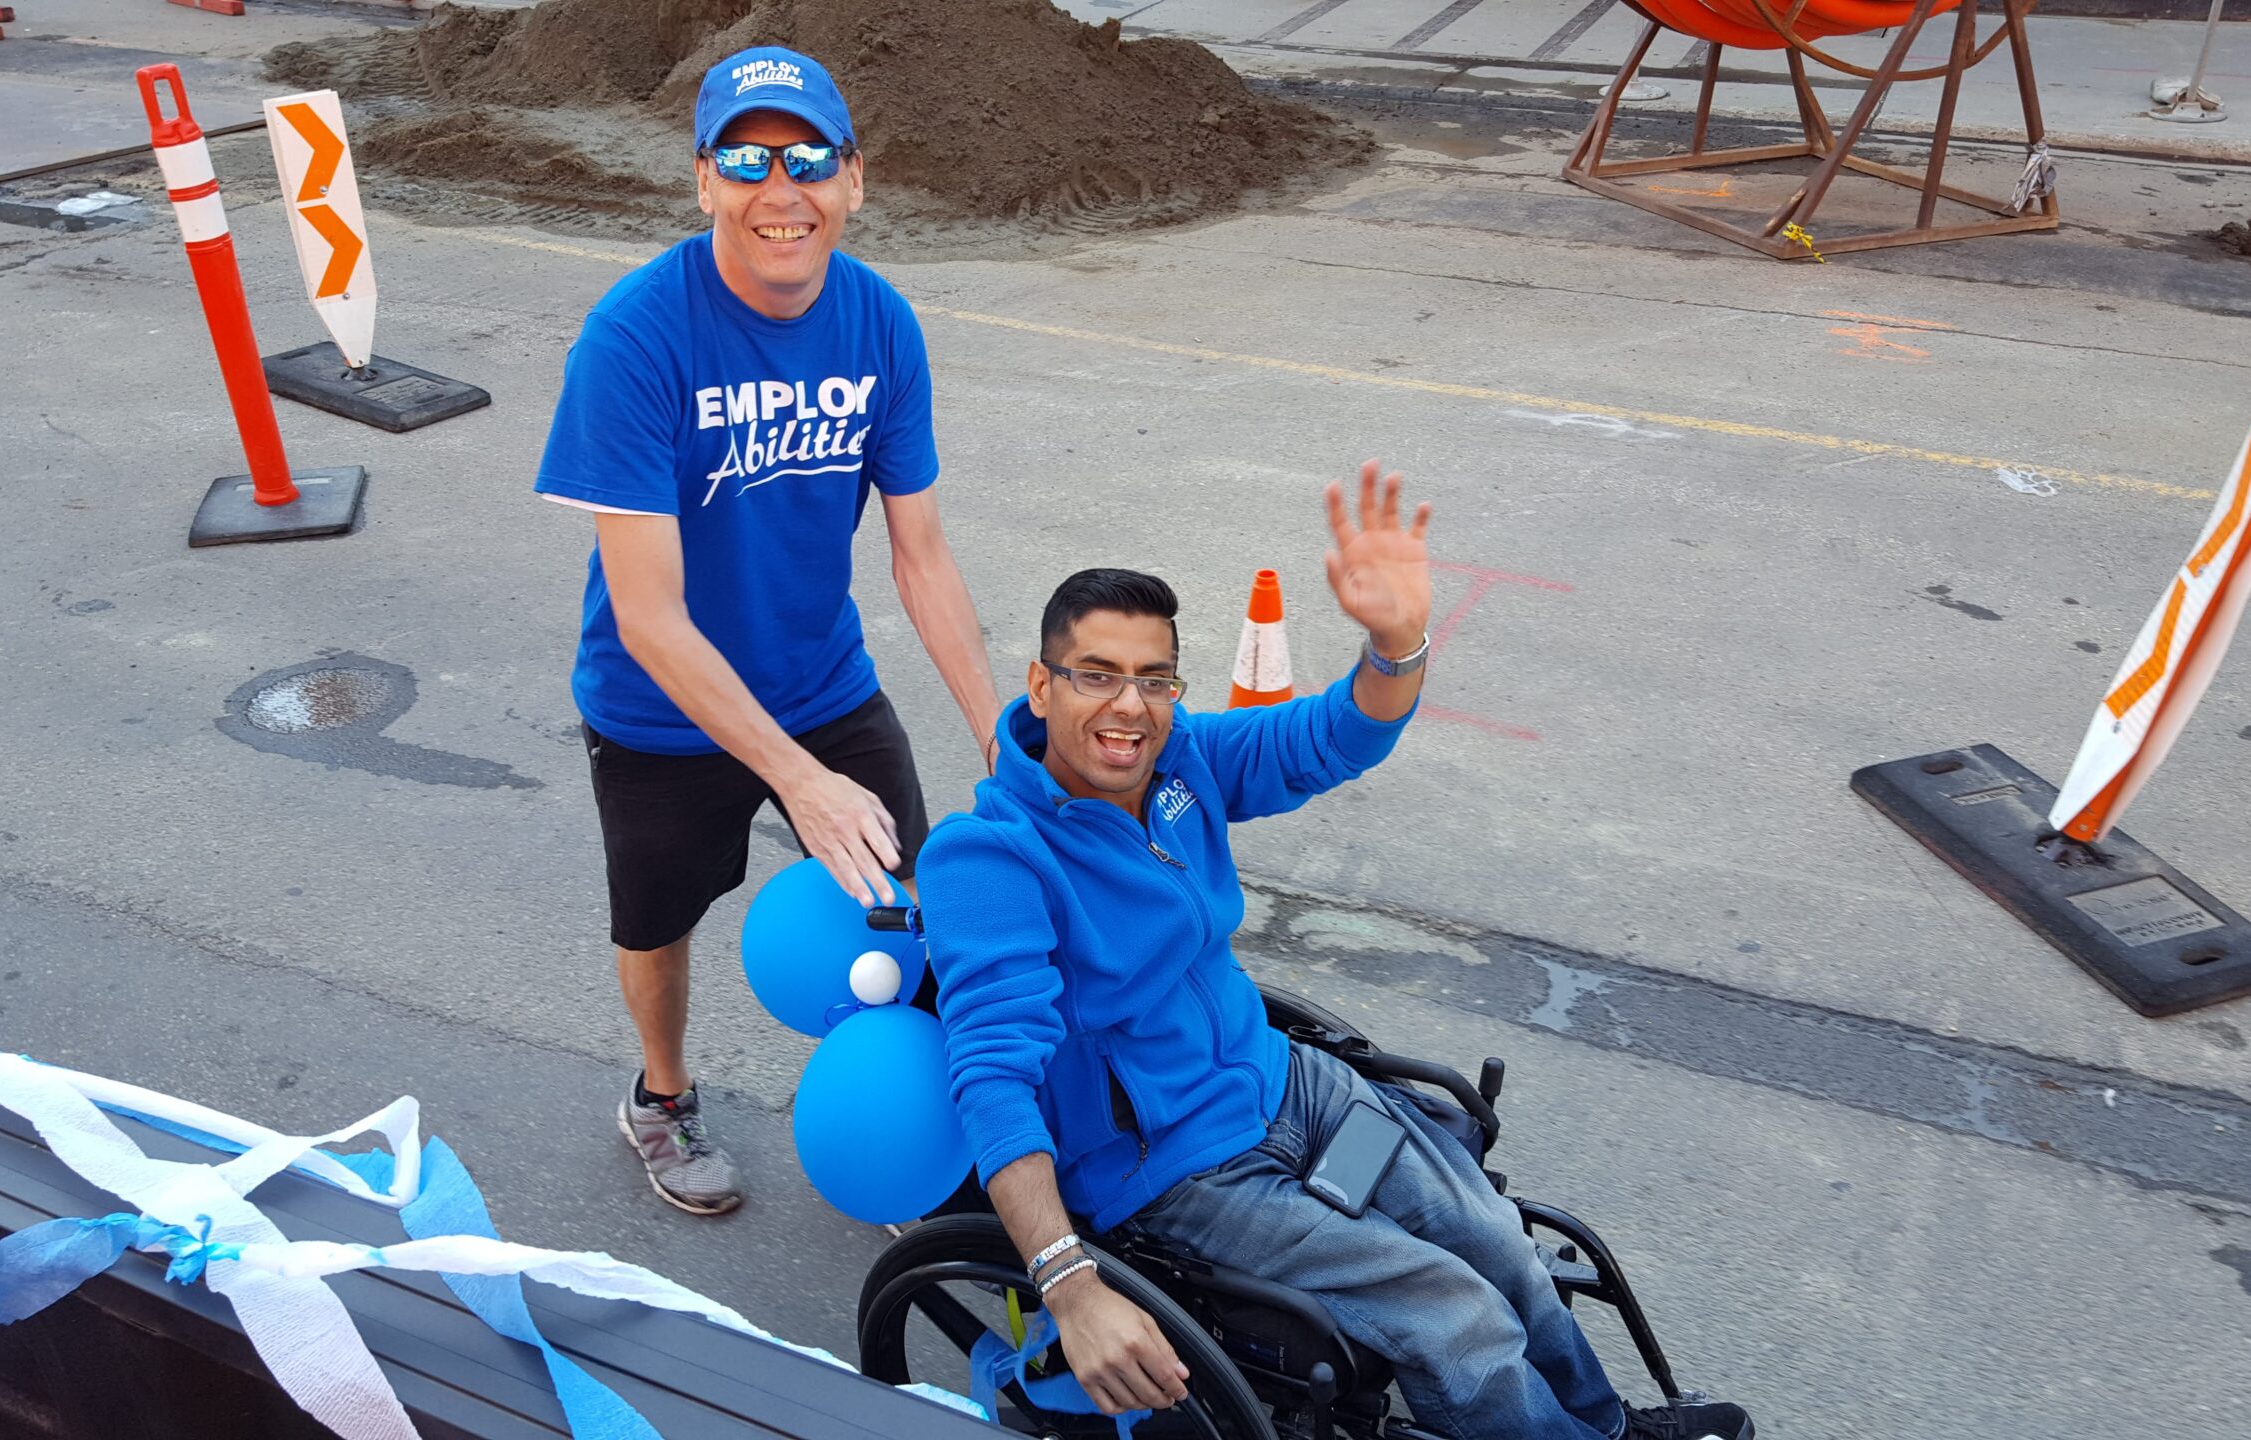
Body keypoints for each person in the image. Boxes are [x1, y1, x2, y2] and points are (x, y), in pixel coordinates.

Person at [918, 465, 1753, 1440]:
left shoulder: (1181, 760)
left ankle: (1605, 1428)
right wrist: (1066, 1282)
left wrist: (1396, 643)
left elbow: (1335, 734)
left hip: (1288, 1085)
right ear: (1041, 684)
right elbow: (993, 1077)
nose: (1129, 706)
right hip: (1181, 1173)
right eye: (1096, 674)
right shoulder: (990, 858)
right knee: (1457, 1318)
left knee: (1499, 1243)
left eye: (1153, 679)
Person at [535, 46, 1003, 1216]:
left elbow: (920, 555)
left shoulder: (879, 323)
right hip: (660, 703)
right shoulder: (633, 339)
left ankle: (924, 1131)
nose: (778, 190)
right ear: (703, 181)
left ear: (855, 179)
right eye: (745, 161)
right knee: (658, 921)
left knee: (912, 906)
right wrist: (797, 780)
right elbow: (648, 614)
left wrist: (1005, 738)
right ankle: (662, 1097)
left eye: (807, 159)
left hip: (819, 679)